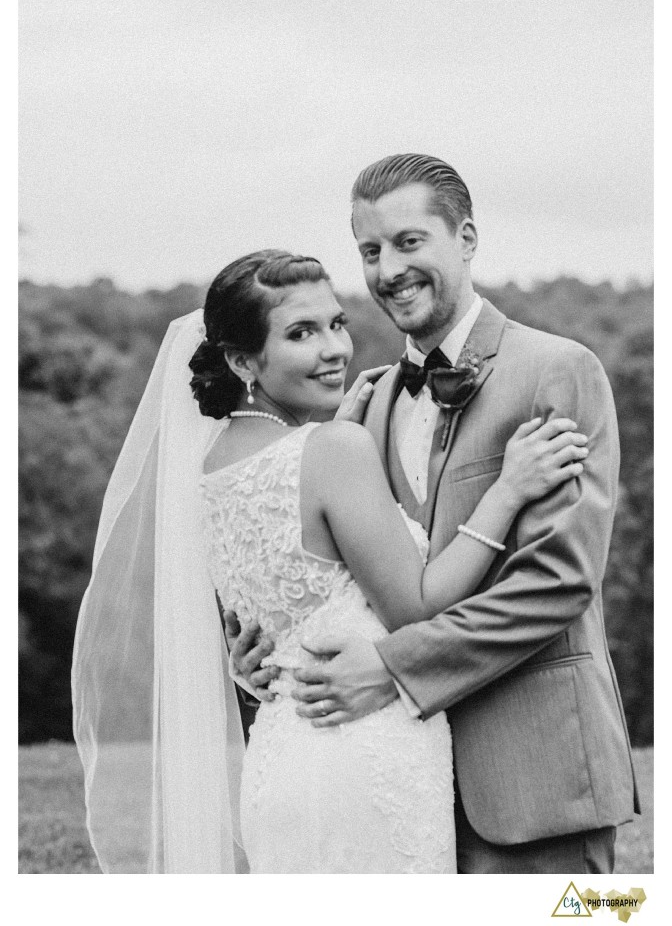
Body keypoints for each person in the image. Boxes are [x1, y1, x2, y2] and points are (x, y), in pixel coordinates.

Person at [73, 248, 587, 874]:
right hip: (365, 757)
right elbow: (416, 607)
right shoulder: (334, 449)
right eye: (300, 333)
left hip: (282, 760)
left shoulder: (211, 466)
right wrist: (508, 490)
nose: (334, 349)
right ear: (242, 361)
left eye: (336, 324)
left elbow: (283, 613)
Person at [229, 154, 638, 874]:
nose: (389, 269)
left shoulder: (557, 369)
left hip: (536, 785)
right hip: (401, 783)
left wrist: (392, 667)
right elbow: (352, 579)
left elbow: (558, 582)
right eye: (371, 251)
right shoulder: (367, 401)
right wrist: (270, 655)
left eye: (409, 242)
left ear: (467, 239)